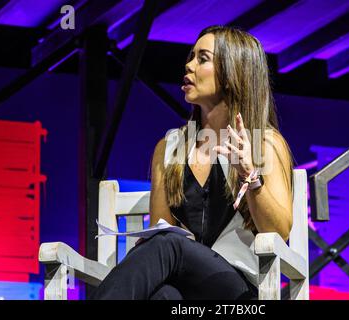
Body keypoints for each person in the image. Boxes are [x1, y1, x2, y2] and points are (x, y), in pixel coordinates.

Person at [90, 25, 295, 300]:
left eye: (203, 58)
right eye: (191, 56)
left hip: (240, 293)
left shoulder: (264, 143)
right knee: (163, 296)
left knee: (167, 245)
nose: (188, 65)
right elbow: (161, 228)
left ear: (232, 73)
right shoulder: (170, 148)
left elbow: (279, 233)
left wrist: (251, 176)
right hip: (185, 289)